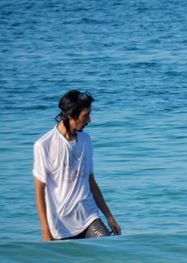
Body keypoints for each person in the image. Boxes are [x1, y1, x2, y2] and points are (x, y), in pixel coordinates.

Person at [33, 90, 121, 241]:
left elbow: (91, 182)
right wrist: (45, 229)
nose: (89, 120)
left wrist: (109, 216)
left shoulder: (86, 140)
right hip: (61, 226)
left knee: (110, 250)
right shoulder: (44, 145)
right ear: (71, 114)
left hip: (89, 218)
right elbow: (39, 190)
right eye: (85, 115)